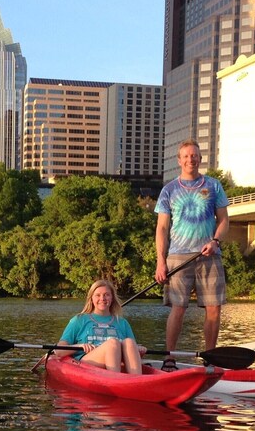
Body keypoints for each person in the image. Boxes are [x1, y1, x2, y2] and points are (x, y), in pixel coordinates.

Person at [154, 139, 229, 371]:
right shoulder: (169, 190)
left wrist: (215, 241)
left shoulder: (214, 186)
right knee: (178, 308)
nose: (191, 159)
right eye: (186, 156)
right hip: (178, 256)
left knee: (214, 308)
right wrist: (161, 261)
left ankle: (210, 357)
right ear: (179, 160)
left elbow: (224, 220)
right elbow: (162, 228)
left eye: (194, 155)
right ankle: (170, 358)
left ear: (200, 158)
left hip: (209, 256)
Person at [53, 279, 146, 374]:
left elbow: (132, 352)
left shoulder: (122, 322)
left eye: (107, 295)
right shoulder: (79, 320)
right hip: (87, 363)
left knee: (129, 342)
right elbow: (59, 351)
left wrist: (139, 350)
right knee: (112, 343)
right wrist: (80, 346)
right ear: (91, 298)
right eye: (98, 295)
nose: (102, 298)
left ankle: (137, 379)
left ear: (112, 298)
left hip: (119, 362)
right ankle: (115, 380)